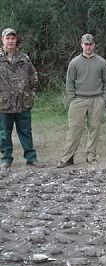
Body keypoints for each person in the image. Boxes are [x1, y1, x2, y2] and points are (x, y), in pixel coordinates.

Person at [57, 33, 106, 168]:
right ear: (81, 45)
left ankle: (91, 156)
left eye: (90, 44)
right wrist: (72, 99)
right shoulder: (74, 62)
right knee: (74, 129)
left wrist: (103, 100)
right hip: (78, 99)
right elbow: (69, 82)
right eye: (85, 44)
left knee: (95, 129)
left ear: (94, 45)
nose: (88, 47)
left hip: (96, 99)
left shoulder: (101, 62)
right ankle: (67, 157)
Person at [0, 28, 44, 171]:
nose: (10, 41)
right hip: (3, 104)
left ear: (16, 40)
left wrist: (28, 93)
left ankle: (31, 158)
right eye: (8, 38)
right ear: (3, 40)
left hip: (23, 103)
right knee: (4, 133)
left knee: (26, 131)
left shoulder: (24, 58)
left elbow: (34, 77)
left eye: (13, 38)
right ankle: (6, 159)